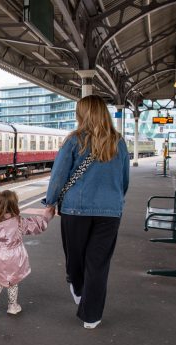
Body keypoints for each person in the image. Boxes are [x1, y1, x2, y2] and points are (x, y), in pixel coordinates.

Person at [43, 95, 129, 329]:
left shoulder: (74, 141)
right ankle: (91, 314)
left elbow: (58, 174)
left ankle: (81, 293)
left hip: (75, 210)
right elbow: (124, 180)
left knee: (76, 258)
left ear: (82, 114)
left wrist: (50, 201)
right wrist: (114, 201)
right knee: (98, 263)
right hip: (110, 212)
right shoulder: (118, 142)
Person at [0, 190, 53, 317]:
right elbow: (35, 225)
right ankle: (13, 306)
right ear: (14, 206)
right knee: (12, 282)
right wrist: (47, 217)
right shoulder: (18, 221)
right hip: (14, 257)